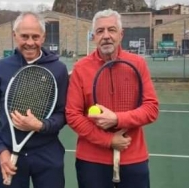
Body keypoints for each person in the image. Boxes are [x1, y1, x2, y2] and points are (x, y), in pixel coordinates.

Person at [65, 9, 159, 188]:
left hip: (133, 159)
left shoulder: (138, 64)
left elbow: (151, 109)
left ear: (121, 34)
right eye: (100, 31)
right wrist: (108, 140)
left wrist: (117, 118)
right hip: (91, 162)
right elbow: (73, 115)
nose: (106, 36)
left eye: (112, 30)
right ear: (94, 36)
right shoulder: (80, 68)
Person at [0, 11, 68, 188]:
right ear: (14, 36)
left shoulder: (59, 69)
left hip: (48, 154)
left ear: (43, 37)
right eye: (24, 36)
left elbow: (62, 113)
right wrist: (1, 150)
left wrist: (41, 126)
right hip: (10, 155)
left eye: (35, 36)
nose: (30, 42)